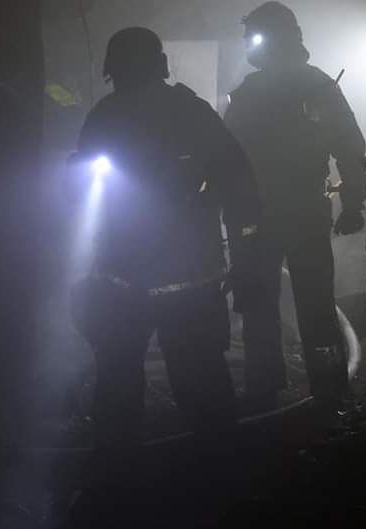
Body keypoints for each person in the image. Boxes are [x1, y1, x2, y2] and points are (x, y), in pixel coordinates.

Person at [67, 27, 263, 453]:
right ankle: (221, 470)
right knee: (200, 384)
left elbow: (80, 191)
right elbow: (239, 185)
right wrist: (246, 255)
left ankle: (117, 472)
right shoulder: (190, 112)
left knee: (118, 383)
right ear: (161, 65)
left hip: (127, 279)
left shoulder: (105, 115)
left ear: (113, 71)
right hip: (184, 276)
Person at [223, 1, 366, 415]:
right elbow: (350, 146)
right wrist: (352, 203)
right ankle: (329, 388)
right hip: (300, 213)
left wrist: (224, 207)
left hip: (259, 218)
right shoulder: (316, 85)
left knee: (262, 302)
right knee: (312, 303)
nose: (249, 46)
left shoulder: (255, 91)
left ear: (271, 39)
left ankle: (266, 387)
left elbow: (225, 155)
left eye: (253, 37)